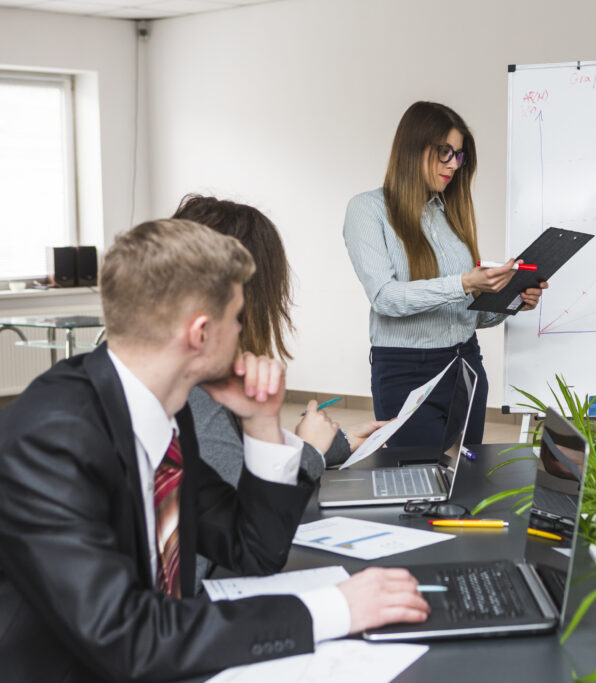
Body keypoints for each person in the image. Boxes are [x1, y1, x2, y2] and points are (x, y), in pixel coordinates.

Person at [0, 219, 429, 681]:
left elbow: (253, 551)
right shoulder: (50, 439)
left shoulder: (163, 408)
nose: (245, 330)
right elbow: (124, 636)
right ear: (201, 333)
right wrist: (333, 608)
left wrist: (262, 422)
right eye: (238, 318)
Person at [172, 193, 388, 591]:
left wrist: (331, 444)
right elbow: (253, 527)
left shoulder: (182, 387)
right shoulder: (193, 398)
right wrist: (311, 451)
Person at [344, 101, 547, 448]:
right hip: (407, 371)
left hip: (465, 364)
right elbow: (385, 298)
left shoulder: (449, 214)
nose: (454, 164)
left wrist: (510, 298)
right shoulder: (367, 210)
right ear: (413, 148)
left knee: (466, 484)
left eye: (459, 155)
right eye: (445, 152)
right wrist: (465, 282)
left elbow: (470, 316)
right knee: (416, 483)